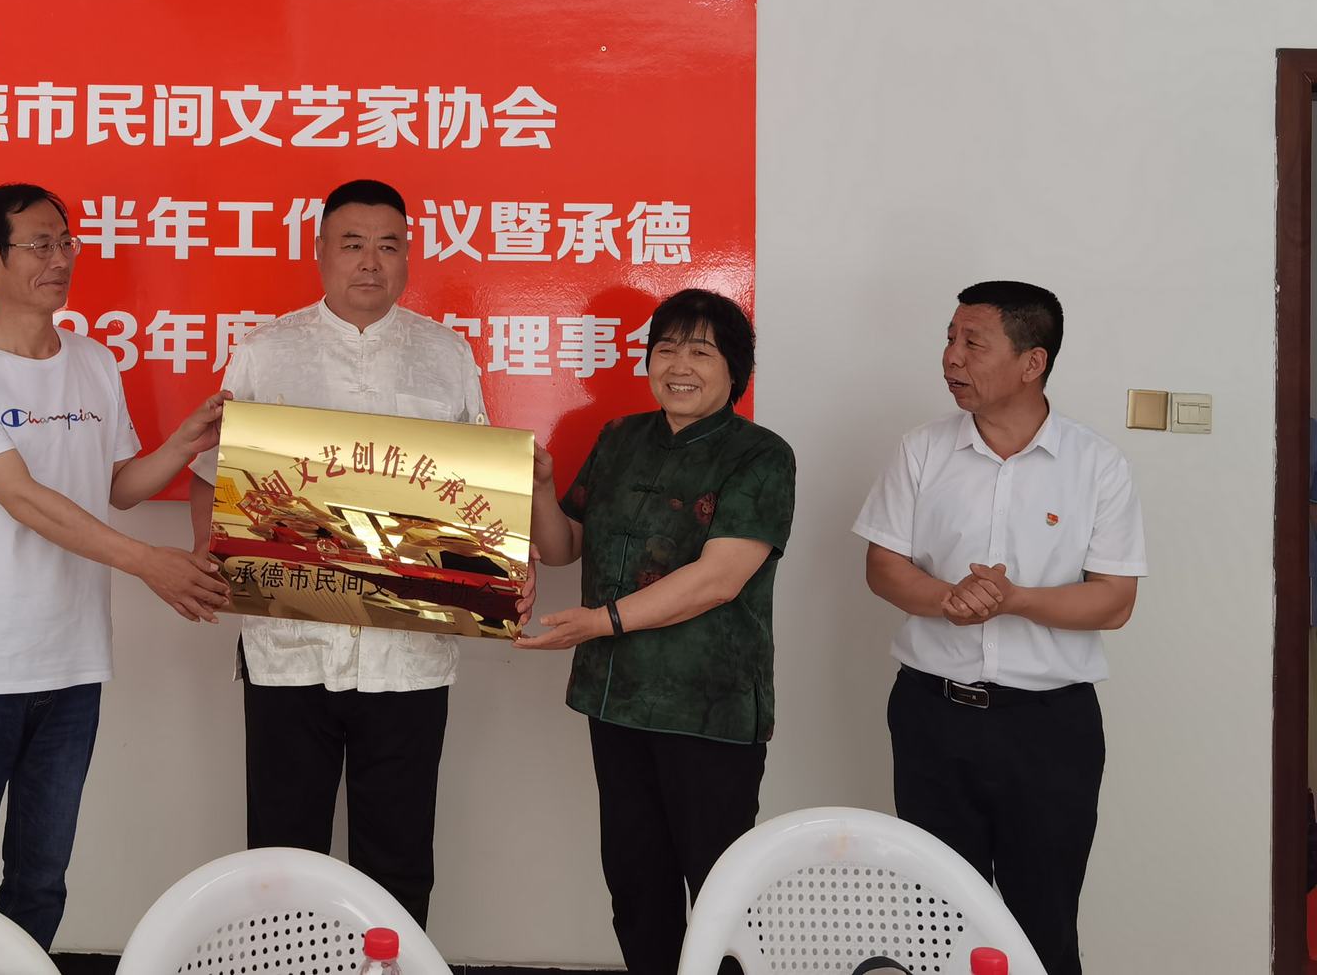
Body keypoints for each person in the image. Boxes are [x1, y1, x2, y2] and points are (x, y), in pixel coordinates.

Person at [0, 182, 229, 949]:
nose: (60, 259)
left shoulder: (92, 361)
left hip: (73, 662)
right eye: (39, 245)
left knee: (41, 878)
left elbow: (116, 486)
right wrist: (148, 564)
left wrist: (183, 444)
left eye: (65, 242)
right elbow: (23, 498)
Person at [188, 178, 488, 928]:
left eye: (389, 246)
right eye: (353, 244)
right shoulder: (267, 352)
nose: (370, 262)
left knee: (400, 855)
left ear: (409, 255)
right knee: (283, 855)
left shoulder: (445, 354)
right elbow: (211, 474)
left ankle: (391, 967)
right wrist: (213, 555)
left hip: (408, 652)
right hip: (289, 647)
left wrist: (497, 566)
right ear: (320, 251)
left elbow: (476, 495)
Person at [853, 281, 1146, 975]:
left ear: (1032, 362)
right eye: (949, 340)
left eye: (973, 343)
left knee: (1042, 923)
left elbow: (1114, 601)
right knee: (935, 923)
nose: (951, 357)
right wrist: (947, 597)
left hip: (1049, 728)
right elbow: (883, 567)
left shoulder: (1096, 465)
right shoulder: (921, 450)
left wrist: (1013, 600)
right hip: (932, 715)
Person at [515, 288, 794, 975]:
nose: (679, 365)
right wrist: (542, 488)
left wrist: (599, 622)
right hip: (616, 702)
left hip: (709, 711)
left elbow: (718, 578)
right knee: (637, 889)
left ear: (735, 369)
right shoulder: (620, 437)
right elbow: (562, 547)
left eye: (701, 351)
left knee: (721, 894)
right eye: (665, 348)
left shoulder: (760, 455)